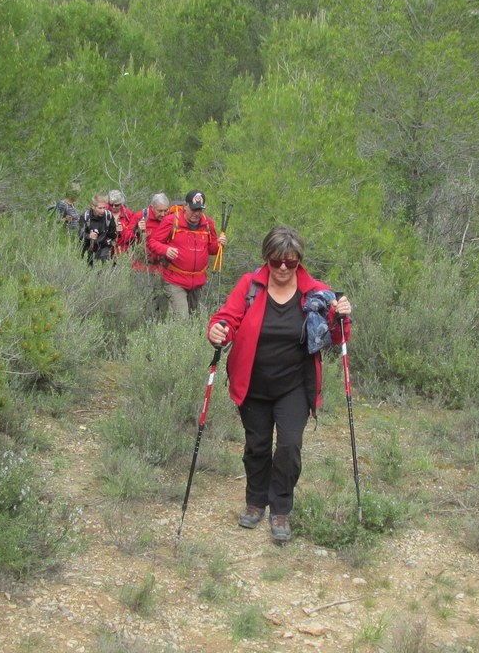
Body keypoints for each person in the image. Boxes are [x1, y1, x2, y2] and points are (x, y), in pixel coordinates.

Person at [207, 225, 352, 543]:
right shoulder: (250, 285)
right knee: (256, 447)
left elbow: (337, 338)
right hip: (252, 383)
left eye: (291, 261)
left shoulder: (316, 292)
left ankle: (281, 508)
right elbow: (228, 318)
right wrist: (218, 330)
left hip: (295, 386)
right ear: (266, 259)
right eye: (277, 261)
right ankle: (256, 501)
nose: (284, 267)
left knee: (289, 446)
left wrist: (342, 316)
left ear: (299, 260)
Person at [147, 189, 226, 319]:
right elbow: (153, 242)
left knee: (194, 318)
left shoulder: (208, 223)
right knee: (182, 319)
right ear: (185, 207)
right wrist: (165, 249)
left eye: (200, 210)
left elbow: (212, 250)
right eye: (193, 209)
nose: (197, 213)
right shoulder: (171, 221)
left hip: (197, 282)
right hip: (175, 280)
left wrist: (219, 244)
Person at [130, 193, 172, 317]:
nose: (164, 214)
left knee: (160, 301)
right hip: (141, 267)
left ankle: (158, 324)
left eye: (166, 210)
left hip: (160, 268)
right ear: (152, 207)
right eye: (160, 211)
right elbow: (126, 239)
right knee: (141, 300)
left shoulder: (170, 219)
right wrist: (137, 230)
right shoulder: (141, 217)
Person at [78, 193, 117, 266]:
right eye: (100, 208)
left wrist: (117, 231)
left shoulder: (108, 216)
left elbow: (113, 235)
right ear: (93, 207)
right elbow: (80, 235)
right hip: (88, 250)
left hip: (104, 248)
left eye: (104, 207)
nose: (103, 210)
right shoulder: (85, 217)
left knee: (105, 269)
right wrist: (89, 236)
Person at [107, 189, 138, 259]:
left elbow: (133, 235)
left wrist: (122, 232)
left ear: (121, 204)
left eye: (116, 205)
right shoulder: (104, 213)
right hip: (107, 250)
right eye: (111, 205)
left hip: (124, 252)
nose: (113, 207)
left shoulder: (129, 215)